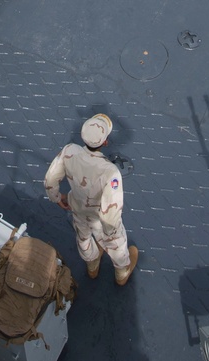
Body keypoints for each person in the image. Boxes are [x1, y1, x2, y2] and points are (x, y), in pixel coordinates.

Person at [44, 114, 139, 284]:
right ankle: (121, 273)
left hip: (78, 208)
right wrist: (110, 234)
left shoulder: (69, 151)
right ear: (105, 142)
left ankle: (92, 265)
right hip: (99, 216)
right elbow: (111, 212)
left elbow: (50, 179)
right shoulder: (110, 172)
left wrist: (57, 197)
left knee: (83, 238)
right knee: (117, 245)